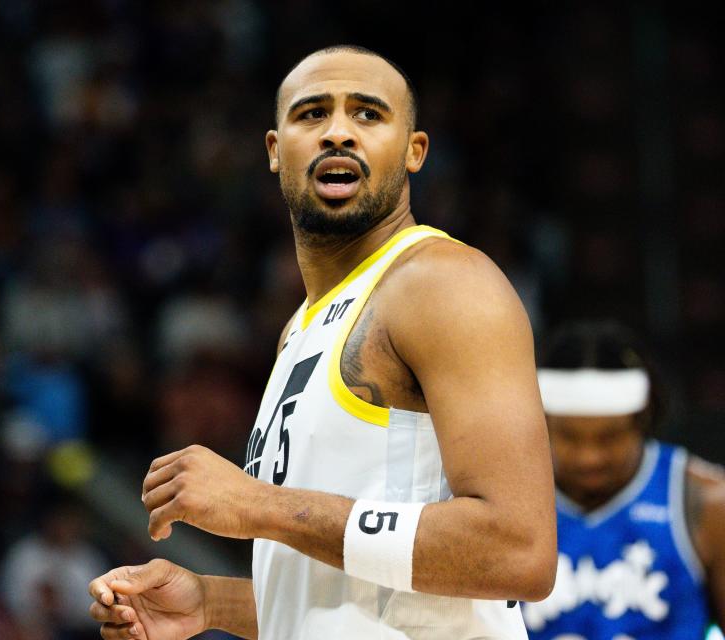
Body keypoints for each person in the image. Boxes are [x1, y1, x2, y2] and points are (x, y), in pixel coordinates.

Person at [88, 44, 557, 639]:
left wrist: (261, 506)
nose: (339, 132)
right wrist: (211, 602)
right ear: (275, 150)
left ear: (415, 152)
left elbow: (519, 552)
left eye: (368, 114)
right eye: (312, 114)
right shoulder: (300, 328)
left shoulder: (444, 284)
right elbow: (361, 588)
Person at [522, 321, 725, 640]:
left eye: (609, 437)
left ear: (643, 420)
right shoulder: (508, 497)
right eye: (569, 437)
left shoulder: (705, 502)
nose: (590, 456)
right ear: (542, 424)